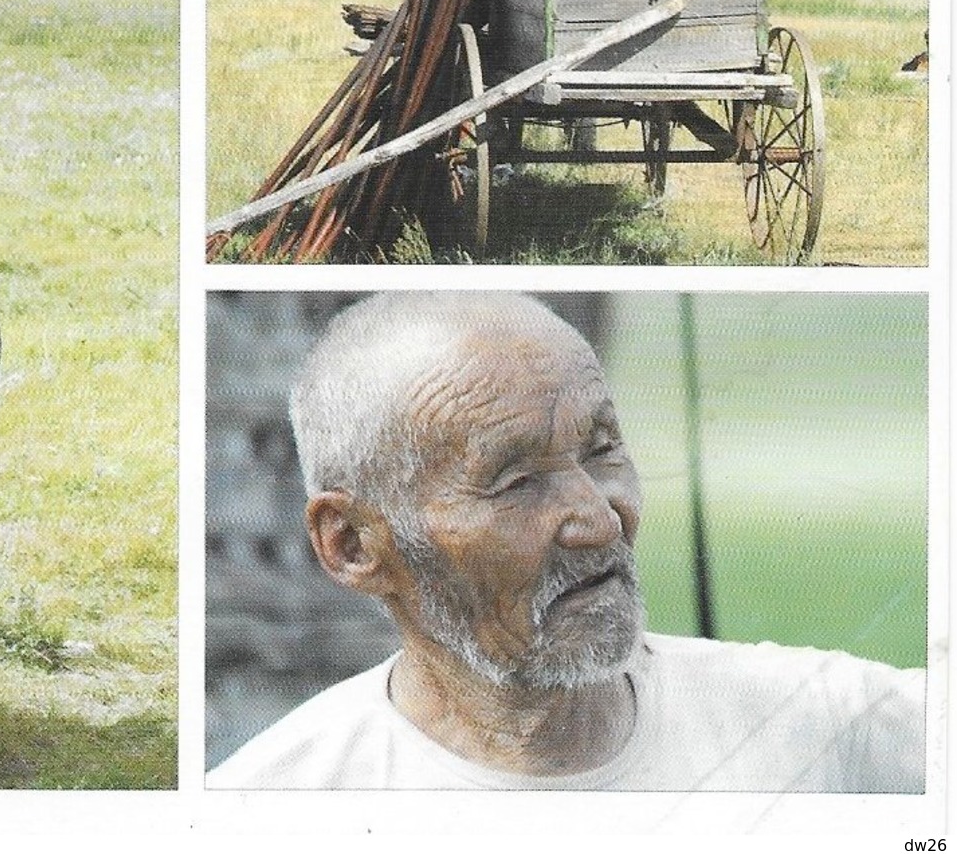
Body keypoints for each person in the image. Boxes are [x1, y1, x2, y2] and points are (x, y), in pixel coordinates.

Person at [207, 292, 924, 792]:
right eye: (515, 481)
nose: (600, 520)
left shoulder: (826, 725)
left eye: (602, 449)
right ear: (353, 545)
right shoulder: (272, 802)